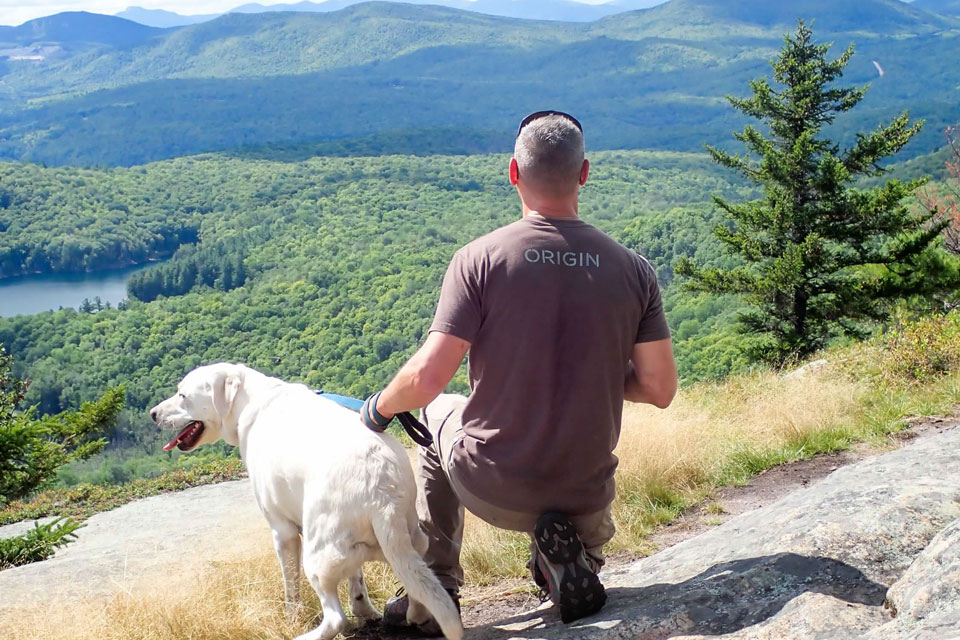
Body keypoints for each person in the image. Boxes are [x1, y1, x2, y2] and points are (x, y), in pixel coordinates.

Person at [360, 110, 678, 634]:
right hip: (585, 494)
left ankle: (437, 587)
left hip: (495, 489)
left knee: (438, 411)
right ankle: (577, 556)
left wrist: (377, 409)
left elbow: (426, 380)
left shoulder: (479, 259)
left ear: (513, 172)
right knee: (578, 496)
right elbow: (659, 389)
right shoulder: (633, 269)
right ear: (584, 174)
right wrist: (589, 363)